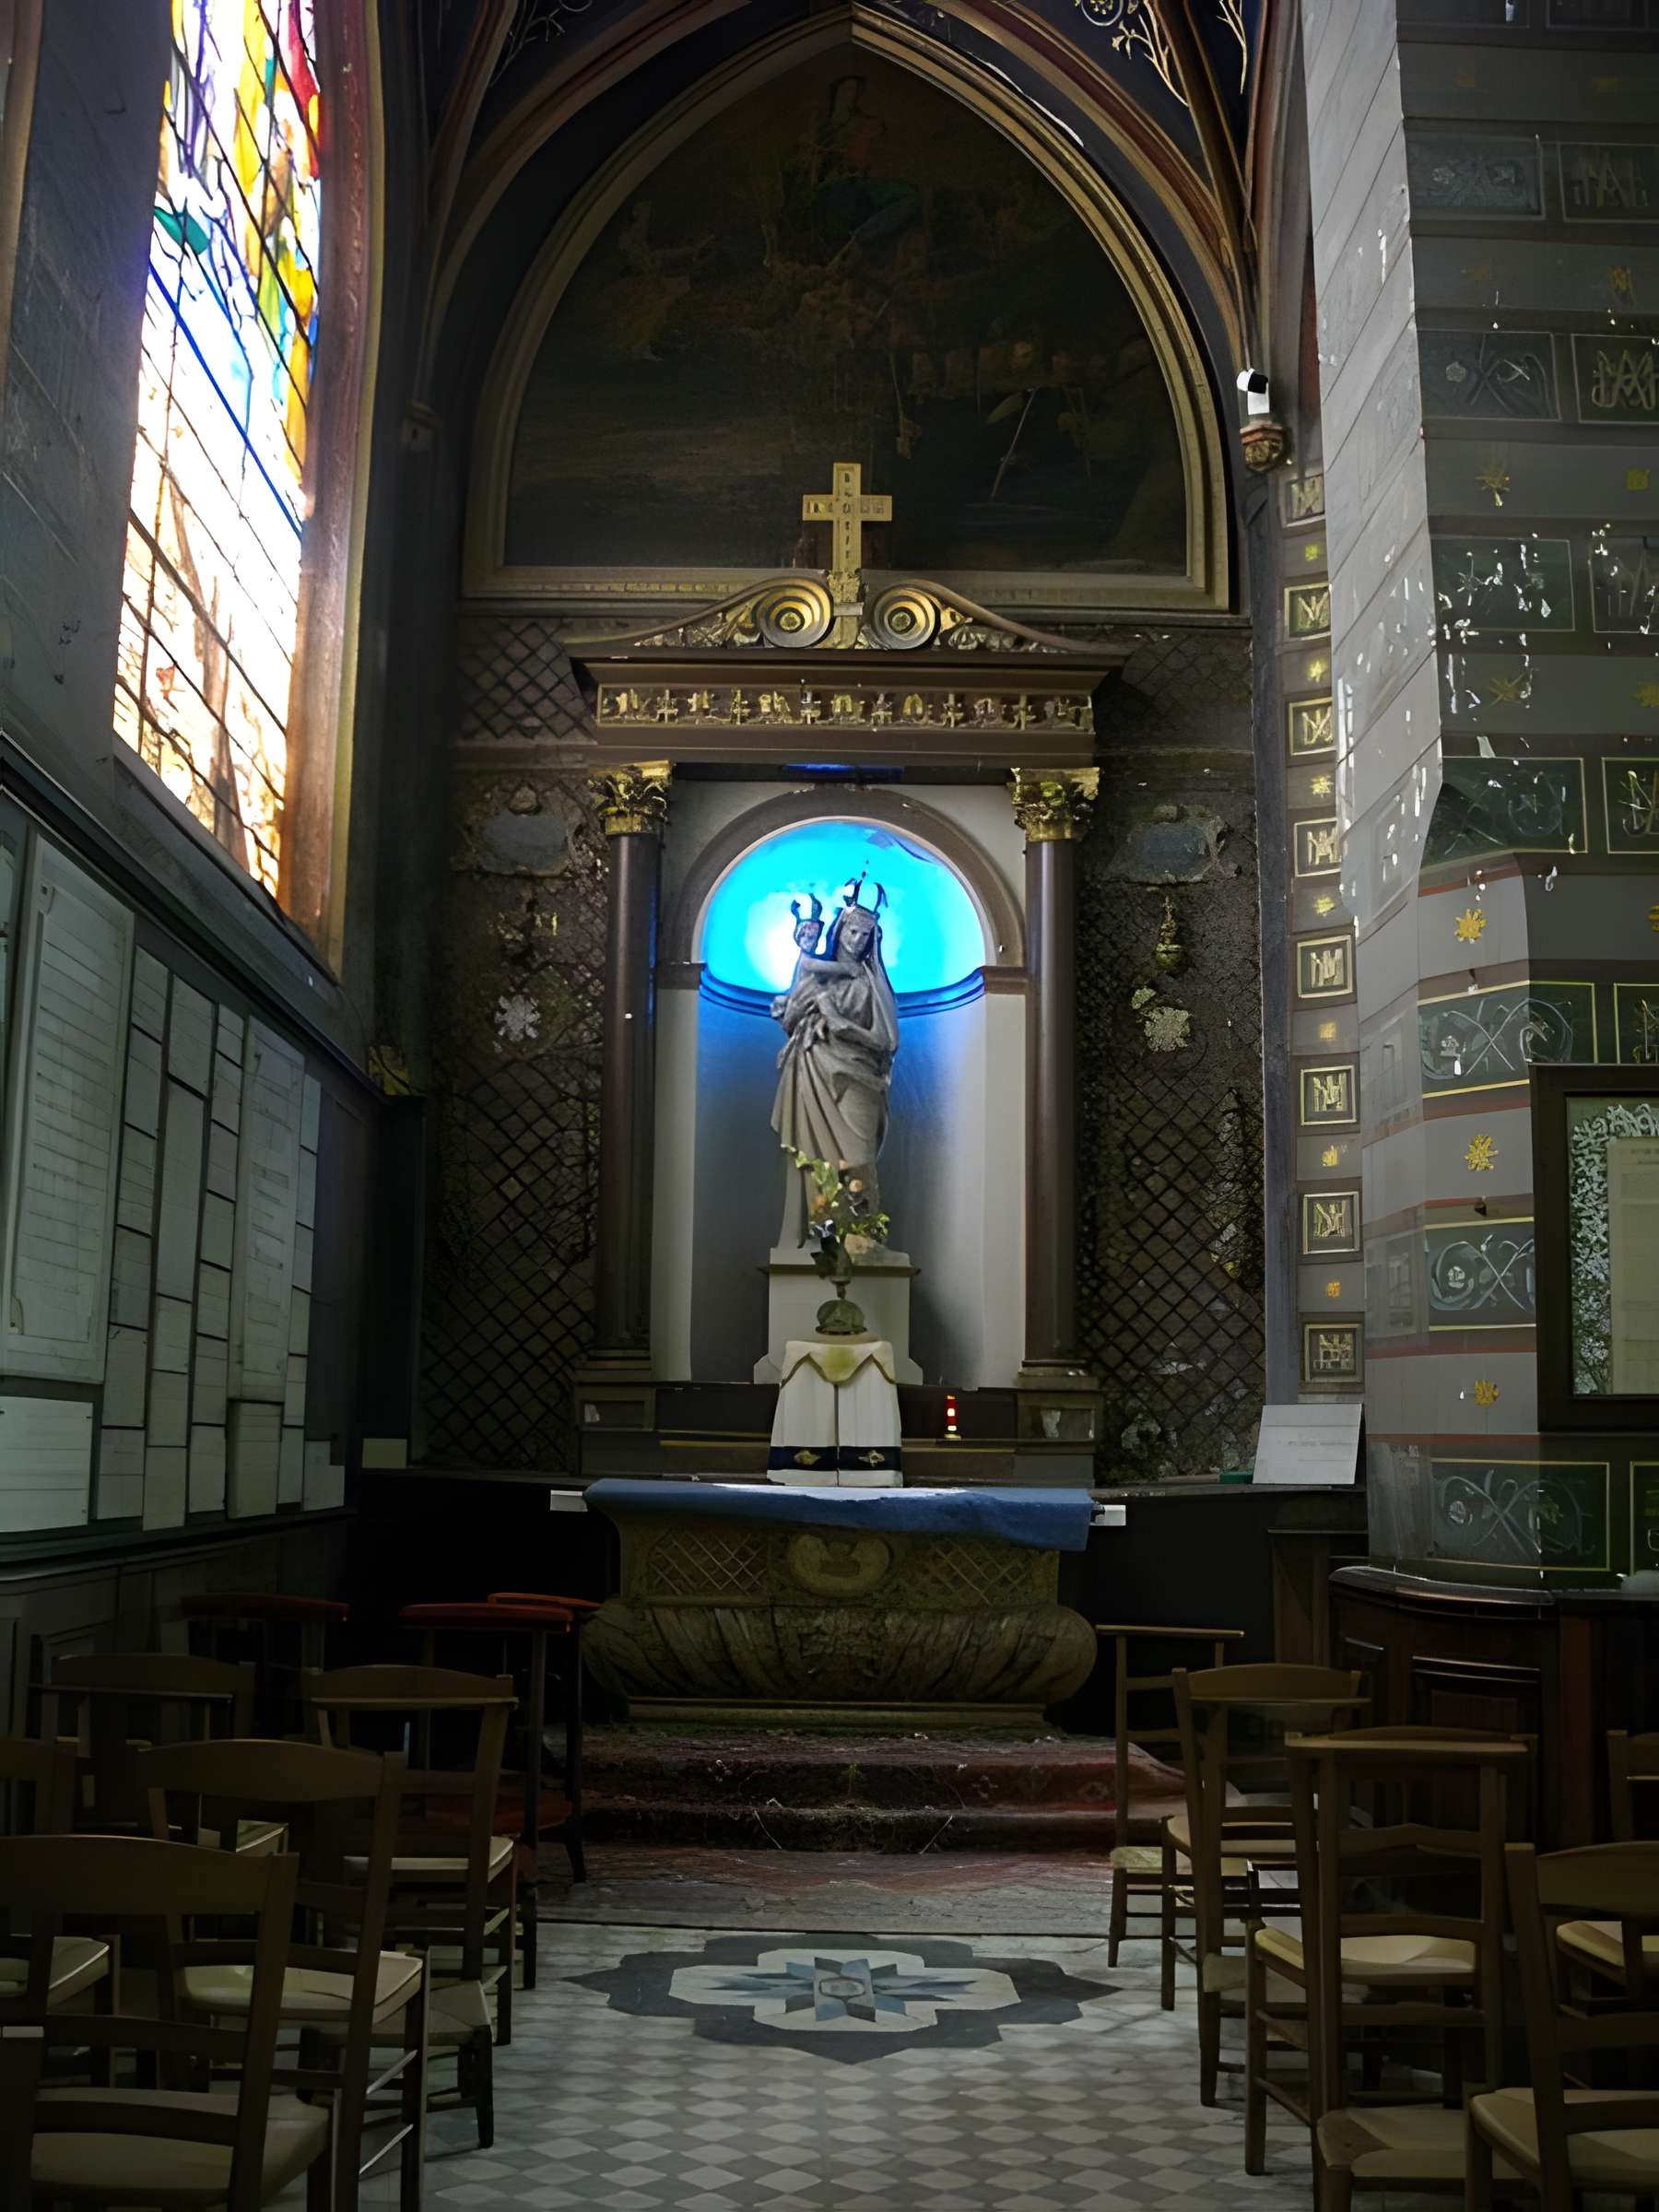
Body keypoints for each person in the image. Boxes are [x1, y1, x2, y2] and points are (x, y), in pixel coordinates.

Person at [770, 877, 900, 1246]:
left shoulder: (872, 984)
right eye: (853, 931)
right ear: (840, 928)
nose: (857, 941)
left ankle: (860, 1238)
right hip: (813, 1073)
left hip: (858, 1079)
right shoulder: (816, 976)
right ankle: (824, 1238)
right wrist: (804, 1009)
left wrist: (843, 1026)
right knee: (816, 1161)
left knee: (858, 1158)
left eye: (865, 935)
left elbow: (887, 1041)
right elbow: (791, 1018)